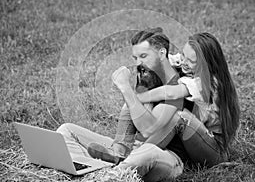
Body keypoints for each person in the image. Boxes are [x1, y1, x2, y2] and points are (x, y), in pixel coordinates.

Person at [88, 32, 240, 181]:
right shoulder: (189, 65)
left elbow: (171, 93)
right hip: (196, 139)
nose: (184, 62)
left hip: (213, 150)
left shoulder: (209, 83)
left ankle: (132, 156)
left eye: (191, 61)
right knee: (134, 103)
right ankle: (119, 151)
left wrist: (139, 96)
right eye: (184, 55)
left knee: (181, 118)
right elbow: (167, 58)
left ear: (207, 63)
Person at [56, 27, 189, 181]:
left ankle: (105, 173)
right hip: (132, 150)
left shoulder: (178, 86)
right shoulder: (148, 74)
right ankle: (96, 166)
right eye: (135, 58)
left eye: (144, 56)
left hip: (167, 157)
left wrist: (125, 87)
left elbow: (147, 129)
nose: (139, 63)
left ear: (162, 53)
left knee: (146, 153)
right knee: (66, 131)